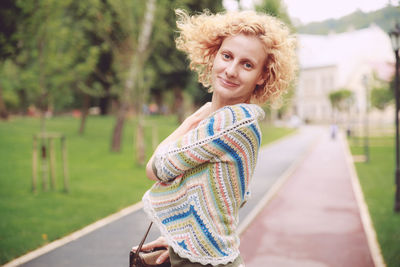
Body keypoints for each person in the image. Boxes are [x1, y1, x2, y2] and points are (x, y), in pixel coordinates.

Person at [134, 8, 297, 266]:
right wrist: (184, 240)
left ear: (262, 75)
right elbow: (227, 199)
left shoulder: (233, 122)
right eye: (227, 56)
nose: (231, 70)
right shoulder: (233, 120)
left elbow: (156, 167)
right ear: (214, 55)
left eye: (247, 64)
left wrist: (190, 120)